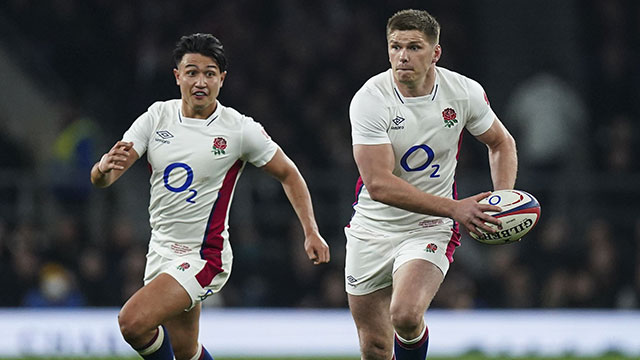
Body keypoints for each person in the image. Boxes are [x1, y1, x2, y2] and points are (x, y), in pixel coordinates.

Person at [90, 33, 330, 360]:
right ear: (177, 76)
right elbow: (106, 176)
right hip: (160, 251)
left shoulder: (238, 129)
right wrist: (103, 168)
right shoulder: (156, 117)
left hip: (204, 255)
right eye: (191, 72)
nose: (200, 81)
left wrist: (311, 230)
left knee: (132, 323)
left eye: (209, 73)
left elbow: (289, 173)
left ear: (222, 79)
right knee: (187, 351)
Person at [345, 9, 517, 360]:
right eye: (395, 46)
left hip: (429, 226)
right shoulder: (370, 99)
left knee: (406, 315)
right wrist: (457, 208)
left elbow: (501, 143)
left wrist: (503, 200)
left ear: (435, 53)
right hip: (372, 227)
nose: (402, 56)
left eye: (414, 47)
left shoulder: (463, 92)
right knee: (375, 348)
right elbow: (379, 185)